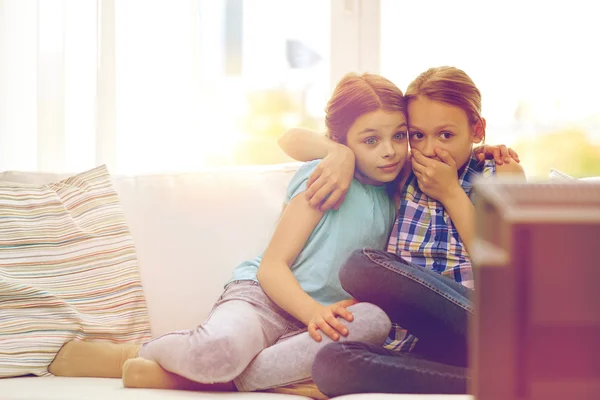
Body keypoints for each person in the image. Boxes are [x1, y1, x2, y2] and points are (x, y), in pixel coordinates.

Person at [48, 72, 414, 394]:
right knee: (217, 353)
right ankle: (141, 354)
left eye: (399, 136)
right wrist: (338, 155)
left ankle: (212, 376)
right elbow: (271, 268)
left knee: (375, 322)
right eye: (370, 141)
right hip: (266, 300)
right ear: (341, 141)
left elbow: (455, 149)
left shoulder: (398, 189)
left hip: (319, 324)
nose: (389, 151)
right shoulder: (327, 178)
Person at [277, 66, 526, 396]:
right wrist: (339, 152)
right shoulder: (404, 168)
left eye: (446, 135)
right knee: (332, 363)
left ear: (477, 129)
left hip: (482, 326)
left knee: (362, 267)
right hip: (418, 344)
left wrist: (451, 193)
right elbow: (289, 140)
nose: (431, 148)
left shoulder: (501, 173)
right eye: (417, 135)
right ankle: (507, 382)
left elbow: (501, 266)